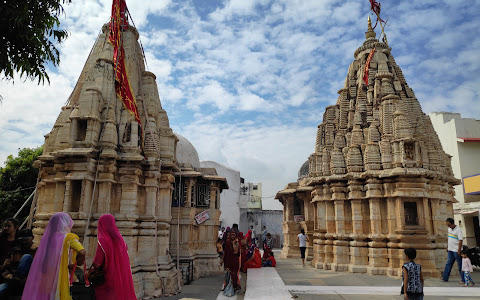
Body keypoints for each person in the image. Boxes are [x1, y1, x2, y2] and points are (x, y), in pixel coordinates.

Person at [22, 212, 86, 300]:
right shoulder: (68, 238)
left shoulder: (48, 238)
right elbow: (82, 252)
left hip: (46, 278)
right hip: (61, 277)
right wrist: (77, 263)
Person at [89, 214, 136, 300]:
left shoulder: (103, 239)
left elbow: (98, 261)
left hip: (108, 276)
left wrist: (91, 270)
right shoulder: (120, 239)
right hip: (121, 276)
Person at [441, 218, 464, 283]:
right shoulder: (449, 229)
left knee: (460, 265)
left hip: (456, 250)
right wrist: (448, 247)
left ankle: (463, 279)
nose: (449, 226)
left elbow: (460, 240)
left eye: (449, 225)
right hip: (450, 249)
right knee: (448, 263)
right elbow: (449, 239)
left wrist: (459, 250)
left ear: (452, 223)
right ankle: (445, 277)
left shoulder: (458, 230)